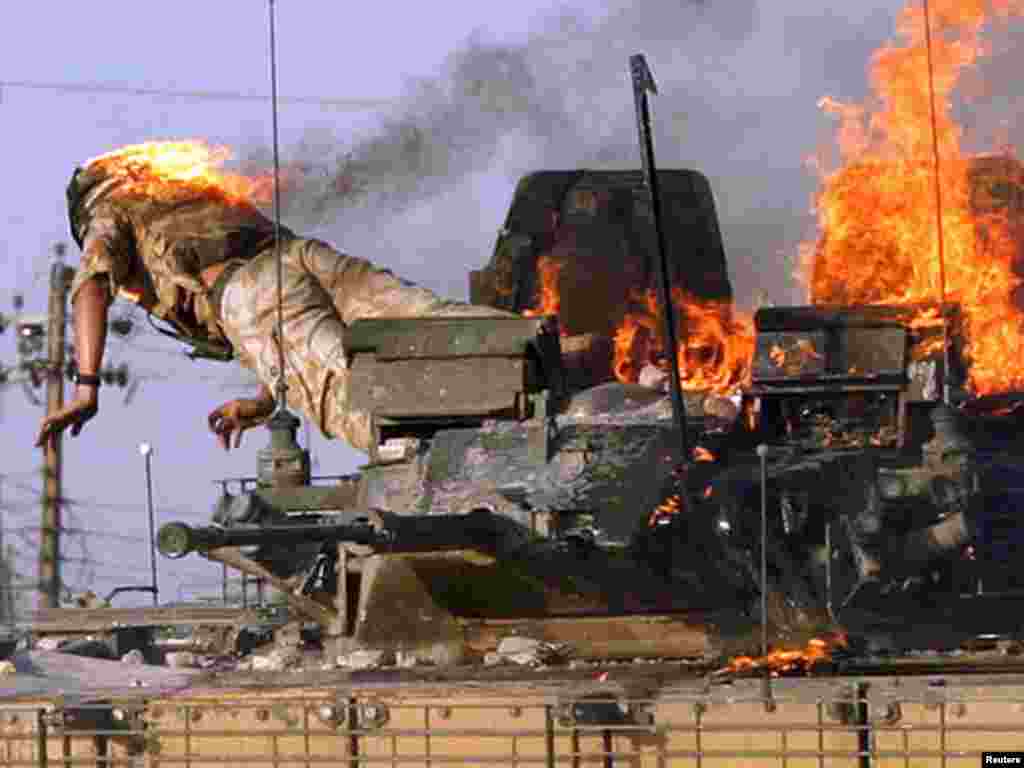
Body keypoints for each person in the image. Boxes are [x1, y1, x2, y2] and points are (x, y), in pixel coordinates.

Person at [35, 142, 510, 454]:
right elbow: (286, 310)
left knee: (354, 402)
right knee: (431, 319)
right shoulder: (181, 190)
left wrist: (86, 388)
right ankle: (549, 356)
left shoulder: (105, 209)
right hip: (303, 257)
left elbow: (93, 284)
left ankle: (482, 450)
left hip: (250, 294)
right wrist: (267, 399)